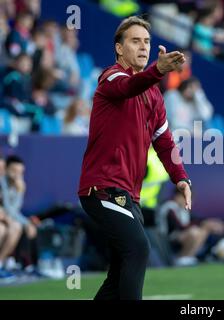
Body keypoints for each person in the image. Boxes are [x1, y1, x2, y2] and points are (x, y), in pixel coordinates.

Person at [78, 16, 192, 300]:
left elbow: (164, 142)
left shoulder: (153, 95)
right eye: (135, 41)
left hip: (130, 195)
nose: (143, 47)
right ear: (119, 48)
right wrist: (157, 70)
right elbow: (128, 87)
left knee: (118, 275)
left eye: (147, 42)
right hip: (102, 188)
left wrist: (181, 178)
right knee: (138, 248)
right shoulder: (111, 77)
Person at [156, 188, 224, 266]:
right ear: (178, 196)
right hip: (164, 240)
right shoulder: (169, 206)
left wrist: (209, 223)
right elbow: (179, 226)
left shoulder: (183, 209)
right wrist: (203, 223)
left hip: (177, 237)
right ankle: (180, 258)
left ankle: (188, 257)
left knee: (204, 229)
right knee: (194, 232)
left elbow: (195, 219)